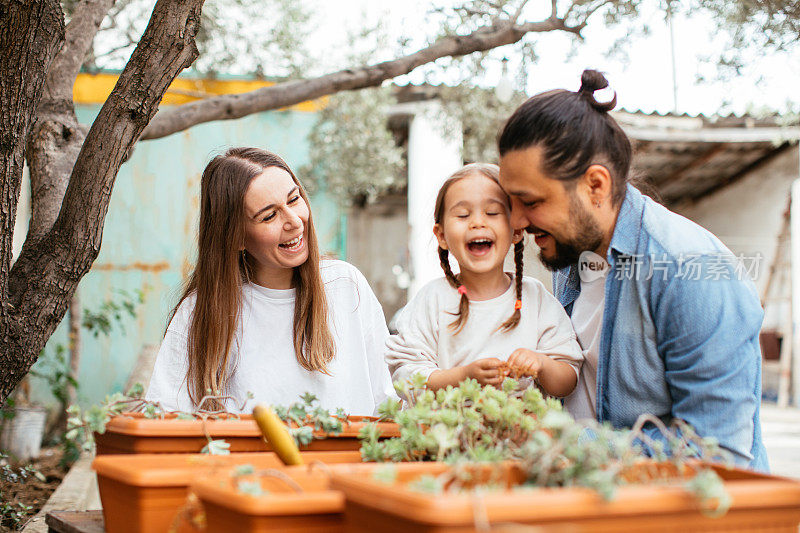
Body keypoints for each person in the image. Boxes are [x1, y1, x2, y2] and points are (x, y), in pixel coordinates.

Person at [497, 69, 768, 470]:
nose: (516, 221)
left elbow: (719, 451)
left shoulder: (689, 269)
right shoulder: (572, 260)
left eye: (531, 202)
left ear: (595, 186)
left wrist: (568, 442)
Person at [146, 148, 395, 415]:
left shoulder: (346, 285)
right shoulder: (200, 312)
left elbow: (387, 402)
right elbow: (165, 416)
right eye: (269, 216)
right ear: (236, 237)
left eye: (294, 199)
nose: (294, 222)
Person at [385, 163, 583, 396]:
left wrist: (541, 364)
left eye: (492, 213)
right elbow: (405, 376)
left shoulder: (535, 298)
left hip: (518, 431)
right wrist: (462, 377)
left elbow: (568, 381)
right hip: (445, 432)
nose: (478, 222)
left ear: (517, 230)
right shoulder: (432, 299)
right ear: (441, 235)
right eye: (462, 215)